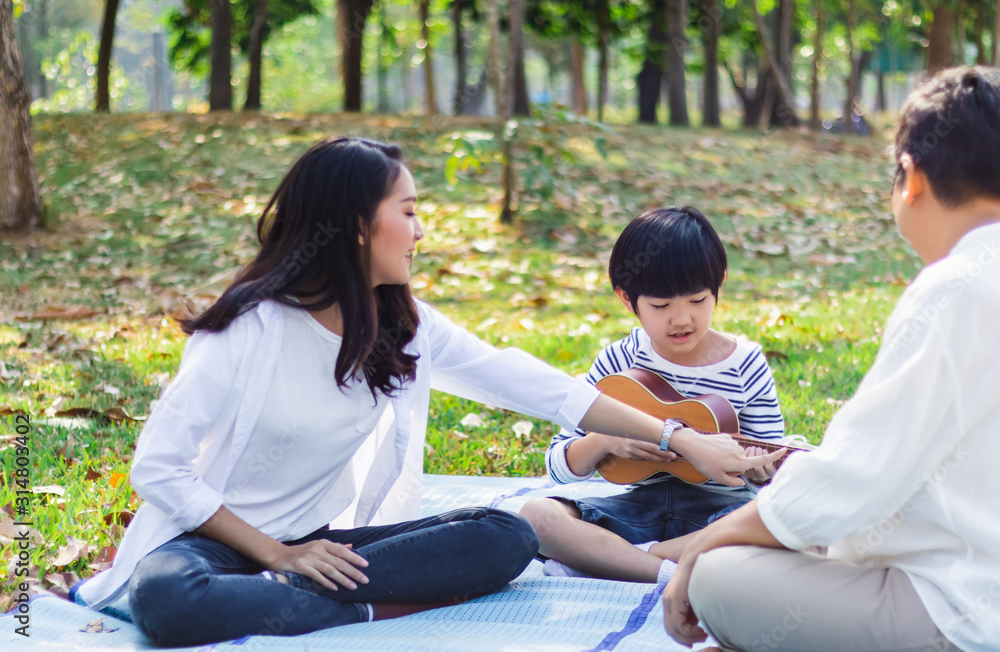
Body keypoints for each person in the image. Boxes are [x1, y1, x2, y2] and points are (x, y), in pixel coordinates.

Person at [71, 138, 776, 647]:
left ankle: (306, 601)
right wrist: (277, 554)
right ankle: (357, 611)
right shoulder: (247, 329)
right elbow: (157, 467)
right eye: (406, 211)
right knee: (165, 599)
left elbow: (532, 383)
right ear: (354, 226)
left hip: (326, 544)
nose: (420, 229)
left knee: (506, 535)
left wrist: (678, 438)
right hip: (216, 544)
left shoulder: (402, 322)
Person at [662, 66, 1000, 652]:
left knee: (720, 576)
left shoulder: (957, 286)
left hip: (963, 612)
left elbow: (859, 476)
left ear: (911, 178)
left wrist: (706, 543)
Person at [520, 207, 786, 585]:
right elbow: (559, 465)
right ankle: (670, 572)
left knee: (779, 520)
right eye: (661, 306)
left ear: (719, 287)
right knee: (536, 516)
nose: (681, 319)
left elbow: (770, 468)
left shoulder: (746, 365)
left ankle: (622, 562)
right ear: (627, 299)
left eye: (697, 301)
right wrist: (606, 439)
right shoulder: (619, 360)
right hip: (635, 509)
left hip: (716, 514)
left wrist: (760, 471)